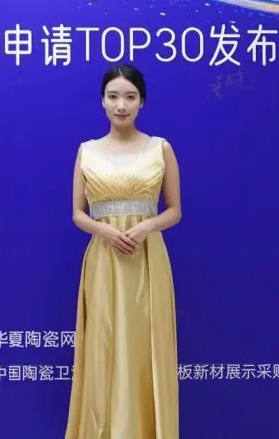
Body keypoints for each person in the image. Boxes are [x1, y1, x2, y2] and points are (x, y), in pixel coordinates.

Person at [64, 63, 182, 438]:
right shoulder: (87, 151)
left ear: (141, 101)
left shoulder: (160, 148)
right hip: (104, 260)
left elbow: (175, 211)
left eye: (130, 97)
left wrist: (146, 226)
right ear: (102, 101)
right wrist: (105, 231)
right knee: (104, 348)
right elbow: (77, 214)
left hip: (147, 260)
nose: (121, 105)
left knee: (144, 348)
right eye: (113, 96)